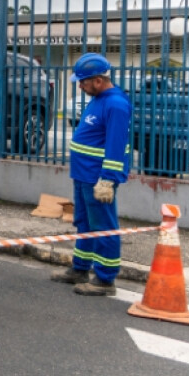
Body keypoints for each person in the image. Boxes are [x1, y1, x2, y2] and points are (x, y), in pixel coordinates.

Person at [51, 52, 132, 296]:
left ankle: (105, 280)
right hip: (84, 175)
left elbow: (116, 146)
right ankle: (80, 268)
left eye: (83, 81)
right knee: (85, 223)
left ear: (98, 80)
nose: (80, 86)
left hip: (98, 178)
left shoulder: (115, 104)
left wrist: (107, 179)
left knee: (103, 226)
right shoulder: (99, 98)